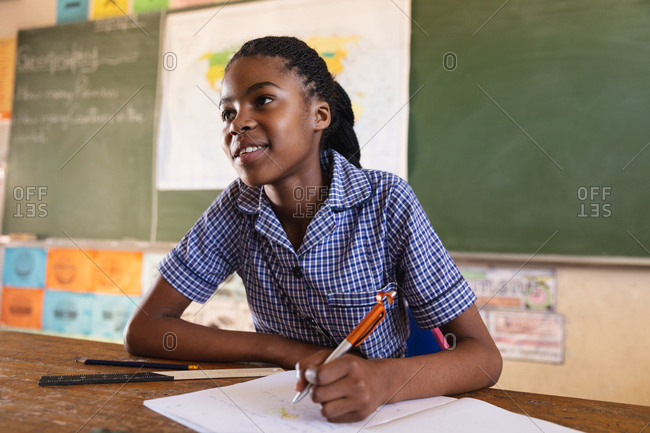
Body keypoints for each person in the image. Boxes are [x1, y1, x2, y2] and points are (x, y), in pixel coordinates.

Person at [124, 36, 502, 423]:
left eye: (263, 100)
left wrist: (382, 381)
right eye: (227, 113)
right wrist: (284, 351)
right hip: (280, 409)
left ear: (319, 116)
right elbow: (145, 329)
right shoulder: (236, 209)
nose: (238, 123)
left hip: (383, 413)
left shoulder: (386, 201)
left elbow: (484, 358)